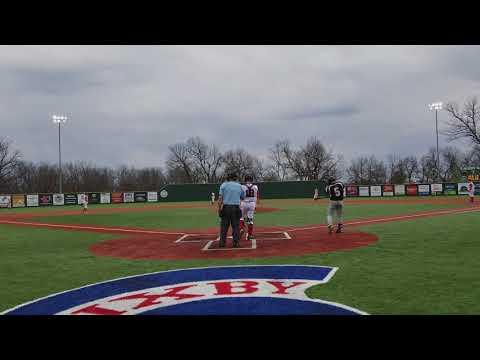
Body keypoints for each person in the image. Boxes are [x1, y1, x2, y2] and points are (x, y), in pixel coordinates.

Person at [218, 173, 245, 248]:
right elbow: (243, 197)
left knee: (224, 227)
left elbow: (220, 199)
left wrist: (219, 209)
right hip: (236, 208)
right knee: (236, 227)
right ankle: (235, 243)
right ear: (235, 178)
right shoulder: (239, 185)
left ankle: (222, 243)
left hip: (226, 207)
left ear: (228, 178)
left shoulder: (223, 185)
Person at [240, 175, 259, 240]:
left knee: (241, 218)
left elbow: (240, 196)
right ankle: (250, 235)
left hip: (244, 203)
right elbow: (256, 196)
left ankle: (241, 228)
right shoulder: (255, 187)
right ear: (251, 180)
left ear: (245, 180)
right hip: (252, 204)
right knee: (250, 220)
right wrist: (255, 205)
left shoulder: (242, 186)